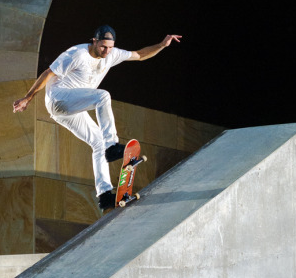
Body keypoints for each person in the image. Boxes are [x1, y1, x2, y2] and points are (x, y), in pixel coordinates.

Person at [12, 25, 181, 209]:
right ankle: (112, 146)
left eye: (110, 47)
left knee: (98, 143)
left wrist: (162, 45)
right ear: (94, 41)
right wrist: (28, 98)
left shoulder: (112, 53)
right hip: (58, 98)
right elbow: (48, 73)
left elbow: (139, 55)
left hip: (71, 108)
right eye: (103, 47)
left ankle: (104, 195)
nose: (107, 51)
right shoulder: (76, 54)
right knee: (102, 97)